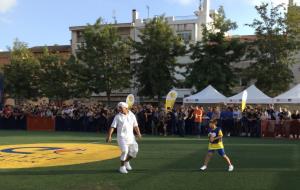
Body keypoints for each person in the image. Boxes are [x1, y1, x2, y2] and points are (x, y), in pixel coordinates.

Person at [106, 102, 142, 174]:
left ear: (126, 108)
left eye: (121, 108)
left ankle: (126, 162)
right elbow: (113, 127)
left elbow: (135, 126)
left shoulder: (132, 115)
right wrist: (109, 136)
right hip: (121, 137)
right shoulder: (117, 116)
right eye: (118, 108)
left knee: (135, 151)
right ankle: (122, 167)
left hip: (131, 138)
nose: (119, 109)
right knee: (125, 151)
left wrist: (138, 133)